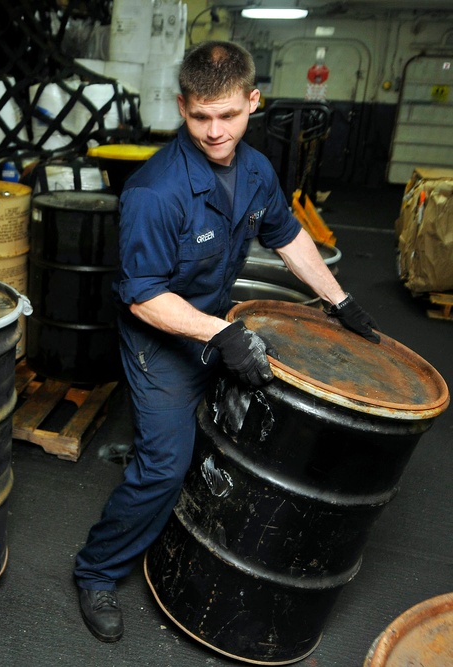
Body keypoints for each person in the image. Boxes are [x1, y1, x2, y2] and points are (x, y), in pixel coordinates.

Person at [73, 40, 380, 643]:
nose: (215, 131)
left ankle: (190, 526)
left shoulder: (258, 170)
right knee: (163, 466)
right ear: (182, 106)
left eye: (229, 115)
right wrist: (221, 334)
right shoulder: (154, 192)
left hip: (214, 321)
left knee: (235, 436)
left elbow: (287, 236)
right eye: (200, 116)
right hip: (159, 339)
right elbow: (143, 297)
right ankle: (96, 571)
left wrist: (338, 299)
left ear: (253, 101)